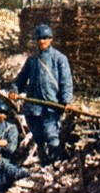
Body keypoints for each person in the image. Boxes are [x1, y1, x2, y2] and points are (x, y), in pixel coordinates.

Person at [9, 23, 73, 165]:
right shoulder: (32, 60)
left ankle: (56, 162)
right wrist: (14, 90)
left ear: (50, 39)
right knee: (38, 137)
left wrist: (66, 100)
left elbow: (66, 82)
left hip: (51, 106)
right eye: (39, 38)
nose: (42, 41)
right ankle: (44, 163)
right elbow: (20, 80)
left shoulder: (59, 59)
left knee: (51, 135)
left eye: (45, 38)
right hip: (33, 108)